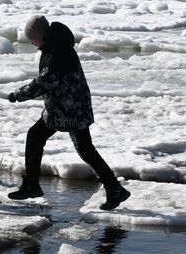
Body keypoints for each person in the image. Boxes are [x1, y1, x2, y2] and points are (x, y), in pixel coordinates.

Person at [7, 16, 130, 209]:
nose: (30, 42)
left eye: (32, 38)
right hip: (65, 107)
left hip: (71, 110)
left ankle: (32, 185)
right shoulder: (54, 45)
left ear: (40, 35)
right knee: (79, 147)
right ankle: (114, 189)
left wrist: (17, 95)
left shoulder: (58, 52)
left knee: (47, 139)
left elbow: (44, 82)